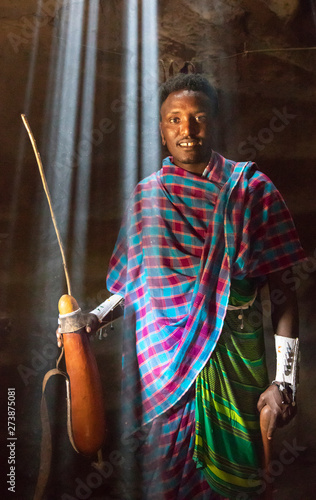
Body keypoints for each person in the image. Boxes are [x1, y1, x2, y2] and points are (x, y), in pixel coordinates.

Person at [57, 74, 305, 499]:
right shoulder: (146, 199)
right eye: (174, 119)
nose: (186, 130)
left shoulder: (253, 192)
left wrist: (285, 382)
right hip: (162, 374)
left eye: (198, 118)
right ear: (161, 129)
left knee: (236, 483)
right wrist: (93, 319)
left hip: (236, 367)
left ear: (216, 124)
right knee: (167, 481)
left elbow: (282, 292)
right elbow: (134, 287)